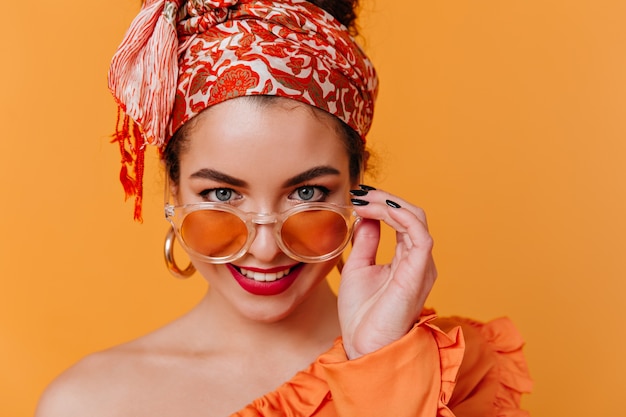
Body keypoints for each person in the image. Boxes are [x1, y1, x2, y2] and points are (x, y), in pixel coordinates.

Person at [36, 0, 532, 416]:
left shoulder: (457, 375)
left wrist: (381, 364)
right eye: (222, 195)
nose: (266, 248)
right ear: (173, 190)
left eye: (308, 193)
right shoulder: (90, 403)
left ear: (357, 188)